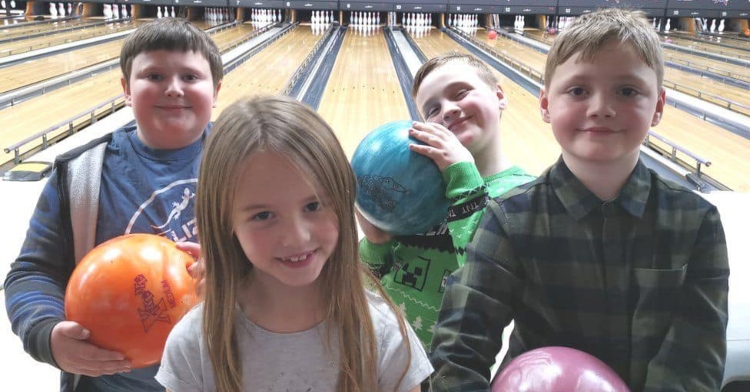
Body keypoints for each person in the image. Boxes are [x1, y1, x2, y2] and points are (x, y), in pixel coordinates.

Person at [429, 8, 729, 391]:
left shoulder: (696, 221)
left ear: (657, 106)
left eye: (627, 91)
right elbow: (458, 349)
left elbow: (693, 359)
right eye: (578, 90)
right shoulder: (508, 218)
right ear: (545, 104)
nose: (600, 107)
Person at [154, 95, 433, 392]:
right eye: (263, 215)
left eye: (313, 206)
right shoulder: (194, 344)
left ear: (341, 201)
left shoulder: (383, 334)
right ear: (225, 222)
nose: (297, 237)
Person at [4, 18, 223, 392]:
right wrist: (47, 333)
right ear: (125, 88)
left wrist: (236, 272)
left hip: (226, 375)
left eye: (190, 77)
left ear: (216, 90)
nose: (173, 89)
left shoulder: (249, 161)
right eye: (153, 76)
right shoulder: (82, 175)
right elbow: (32, 271)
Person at [357, 52, 535, 347]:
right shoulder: (414, 189)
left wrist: (463, 179)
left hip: (452, 370)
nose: (448, 110)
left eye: (461, 93)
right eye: (432, 110)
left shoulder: (525, 194)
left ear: (499, 95)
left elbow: (492, 280)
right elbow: (367, 287)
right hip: (383, 360)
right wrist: (375, 244)